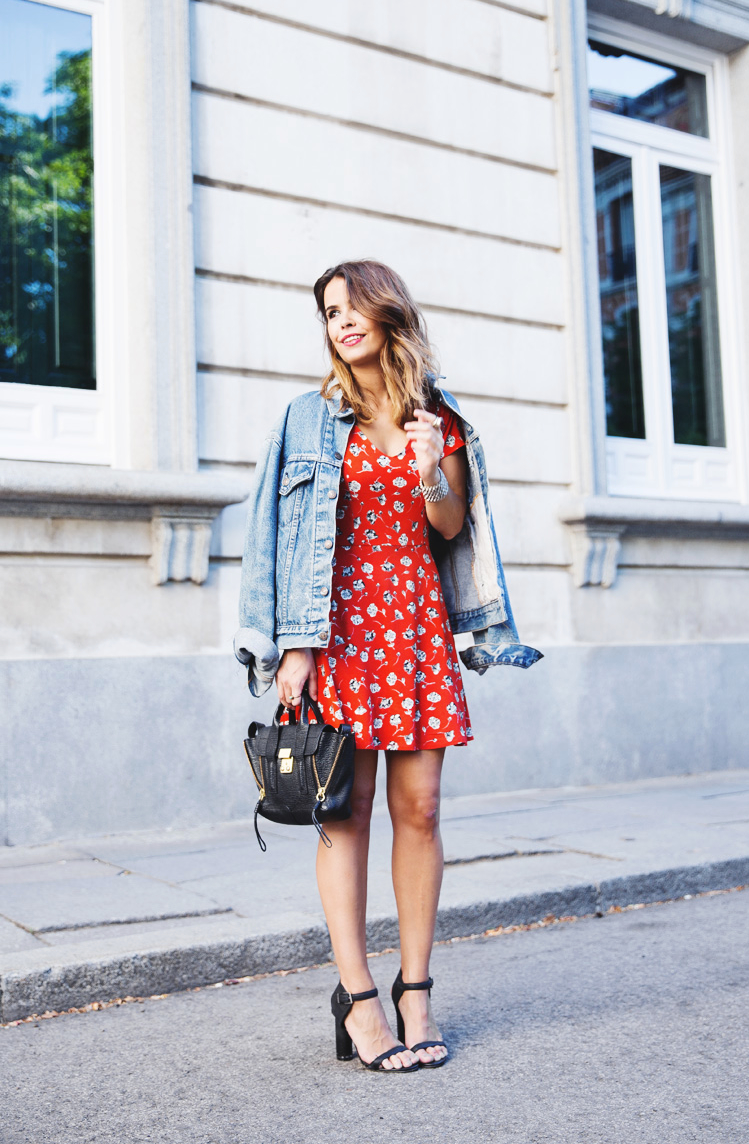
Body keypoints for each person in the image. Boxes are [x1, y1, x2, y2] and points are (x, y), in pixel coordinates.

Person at [235, 259, 541, 1072]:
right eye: (328, 311)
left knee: (424, 809)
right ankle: (358, 997)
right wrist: (289, 647)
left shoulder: (438, 416)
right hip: (335, 634)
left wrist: (433, 458)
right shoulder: (305, 419)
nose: (339, 322)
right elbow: (272, 538)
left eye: (351, 306)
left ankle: (417, 991)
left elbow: (446, 527)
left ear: (387, 312)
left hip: (414, 629)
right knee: (345, 810)